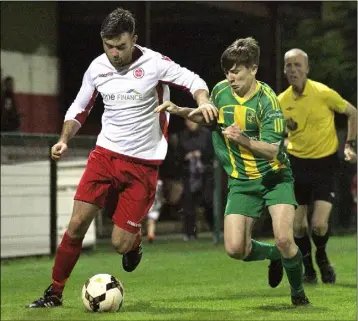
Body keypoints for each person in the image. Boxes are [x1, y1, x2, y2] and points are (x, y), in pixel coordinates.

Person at [27, 7, 217, 308]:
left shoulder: (155, 64)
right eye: (109, 46)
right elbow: (79, 107)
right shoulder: (97, 68)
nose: (114, 53)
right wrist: (64, 139)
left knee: (119, 244)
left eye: (121, 46)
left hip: (142, 164)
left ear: (134, 40)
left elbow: (193, 81)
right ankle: (54, 292)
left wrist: (204, 101)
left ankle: (134, 242)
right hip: (105, 155)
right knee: (76, 225)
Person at [155, 37, 310, 306]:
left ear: (253, 69)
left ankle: (298, 294)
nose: (231, 76)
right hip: (241, 180)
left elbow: (273, 150)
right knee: (235, 249)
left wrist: (243, 140)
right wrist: (179, 110)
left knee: (285, 238)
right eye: (227, 71)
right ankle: (275, 255)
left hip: (274, 177)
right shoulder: (220, 91)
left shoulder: (267, 101)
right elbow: (207, 116)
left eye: (236, 70)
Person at [278, 48, 357, 284]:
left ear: (307, 69)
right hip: (297, 164)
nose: (293, 70)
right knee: (298, 226)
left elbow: (353, 112)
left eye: (297, 65)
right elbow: (280, 133)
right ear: (284, 70)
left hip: (325, 163)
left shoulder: (323, 93)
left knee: (319, 224)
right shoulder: (281, 101)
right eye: (288, 65)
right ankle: (308, 267)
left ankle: (321, 257)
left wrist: (350, 145)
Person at [178, 119, 214, 240]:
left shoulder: (206, 134)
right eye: (187, 121)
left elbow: (212, 152)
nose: (190, 123)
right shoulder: (182, 135)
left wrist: (201, 155)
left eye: (193, 120)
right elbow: (178, 154)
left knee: (208, 201)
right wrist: (187, 156)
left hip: (205, 174)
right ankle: (190, 233)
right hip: (189, 174)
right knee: (188, 205)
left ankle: (216, 230)